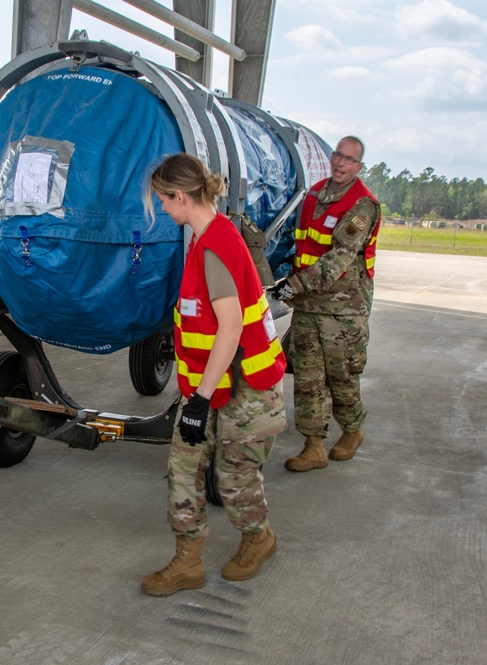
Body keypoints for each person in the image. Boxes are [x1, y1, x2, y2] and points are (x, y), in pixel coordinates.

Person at [140, 153, 288, 597]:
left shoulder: (216, 245)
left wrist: (199, 400)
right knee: (183, 466)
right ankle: (187, 561)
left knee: (234, 478)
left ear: (180, 196)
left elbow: (230, 327)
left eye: (163, 202)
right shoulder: (208, 237)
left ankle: (258, 538)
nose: (163, 210)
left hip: (246, 387)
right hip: (212, 383)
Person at [268, 136, 381, 472]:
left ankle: (352, 429)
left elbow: (338, 259)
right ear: (331, 157)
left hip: (343, 310)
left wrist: (291, 289)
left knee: (342, 375)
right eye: (338, 156)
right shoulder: (315, 194)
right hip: (308, 305)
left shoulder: (363, 204)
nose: (341, 164)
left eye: (349, 160)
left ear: (359, 167)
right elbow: (299, 244)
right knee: (307, 378)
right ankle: (313, 445)